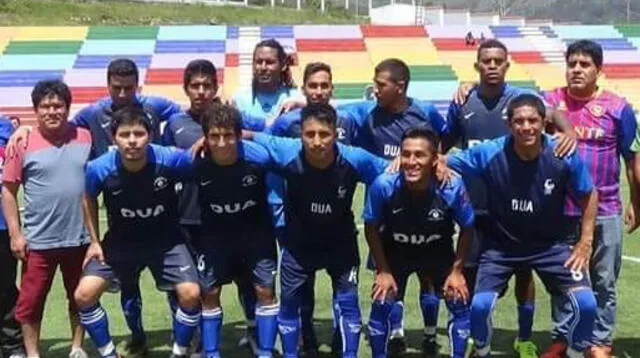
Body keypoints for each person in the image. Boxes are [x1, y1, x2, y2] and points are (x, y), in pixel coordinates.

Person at [6, 58, 184, 356]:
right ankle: (37, 352)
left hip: (113, 228)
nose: (124, 94)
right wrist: (20, 128)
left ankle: (82, 347)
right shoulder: (85, 118)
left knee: (167, 286)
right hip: (73, 231)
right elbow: (12, 187)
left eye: (129, 88)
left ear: (137, 85)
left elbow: (185, 115)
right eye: (117, 88)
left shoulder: (146, 109)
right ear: (108, 86)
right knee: (41, 299)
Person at [444, 39, 577, 358]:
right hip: (475, 204)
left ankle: (525, 337)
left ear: (507, 64)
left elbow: (553, 113)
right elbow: (445, 139)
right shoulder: (463, 101)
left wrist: (569, 131)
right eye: (486, 61)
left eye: (498, 61)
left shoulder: (521, 98)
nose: (492, 66)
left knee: (524, 272)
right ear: (477, 65)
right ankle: (478, 339)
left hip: (517, 204)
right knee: (474, 276)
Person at [244, 103, 389, 358]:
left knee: (348, 303)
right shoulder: (288, 151)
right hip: (299, 246)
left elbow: (393, 169)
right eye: (310, 134)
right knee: (289, 303)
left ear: (335, 134)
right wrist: (209, 139)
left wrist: (437, 164)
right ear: (301, 134)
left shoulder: (355, 158)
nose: (317, 141)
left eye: (324, 134)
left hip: (341, 244)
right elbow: (250, 135)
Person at [339, 58, 447, 356]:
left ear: (400, 86)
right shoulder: (368, 116)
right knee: (389, 275)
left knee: (428, 276)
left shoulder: (424, 113)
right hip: (386, 209)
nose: (374, 89)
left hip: (424, 205)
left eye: (380, 84)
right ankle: (396, 333)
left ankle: (428, 333)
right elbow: (337, 116)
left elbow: (445, 141)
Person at [74, 106, 201, 358]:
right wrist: (95, 242)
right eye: (125, 134)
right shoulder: (99, 168)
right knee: (84, 295)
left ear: (150, 135)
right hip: (121, 241)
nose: (132, 141)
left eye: (139, 133)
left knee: (191, 294)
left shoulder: (170, 158)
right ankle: (109, 354)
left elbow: (202, 164)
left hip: (166, 240)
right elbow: (87, 198)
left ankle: (179, 351)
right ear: (113, 137)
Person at [541, 40, 638, 358]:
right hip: (558, 210)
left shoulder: (618, 107)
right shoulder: (549, 101)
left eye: (584, 65)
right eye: (572, 64)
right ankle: (564, 336)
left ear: (599, 70)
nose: (577, 70)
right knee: (563, 279)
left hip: (606, 208)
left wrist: (637, 203)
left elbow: (631, 159)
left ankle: (600, 340)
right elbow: (512, 109)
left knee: (604, 280)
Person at [269, 61, 359, 355]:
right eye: (313, 85)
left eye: (324, 85)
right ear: (303, 87)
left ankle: (340, 340)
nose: (319, 91)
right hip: (299, 225)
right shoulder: (286, 122)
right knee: (299, 294)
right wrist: (278, 211)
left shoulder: (349, 120)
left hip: (339, 227)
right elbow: (272, 157)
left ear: (332, 88)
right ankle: (304, 336)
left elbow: (361, 160)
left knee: (344, 295)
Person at [364, 127, 474, 358]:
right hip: (396, 253)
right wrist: (383, 270)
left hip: (436, 253)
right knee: (382, 300)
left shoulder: (451, 186)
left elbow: (467, 227)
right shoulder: (384, 184)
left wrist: (456, 271)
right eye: (406, 154)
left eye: (419, 155)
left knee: (458, 299)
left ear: (435, 160)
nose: (411, 161)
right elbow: (371, 227)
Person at [2, 80, 92, 358]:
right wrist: (16, 234)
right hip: (38, 241)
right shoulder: (23, 142)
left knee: (80, 298)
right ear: (36, 110)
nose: (52, 111)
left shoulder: (86, 137)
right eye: (45, 106)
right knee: (30, 303)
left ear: (67, 108)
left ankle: (77, 347)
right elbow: (8, 191)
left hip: (80, 238)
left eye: (58, 105)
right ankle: (32, 353)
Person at [231, 38, 301, 352]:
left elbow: (325, 115)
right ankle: (253, 326)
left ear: (282, 65)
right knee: (249, 270)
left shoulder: (295, 98)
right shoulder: (240, 100)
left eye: (270, 61)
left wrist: (300, 105)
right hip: (249, 199)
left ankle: (293, 328)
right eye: (258, 61)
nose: (263, 67)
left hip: (287, 197)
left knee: (292, 268)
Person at [194, 103, 279, 358]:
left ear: (239, 135)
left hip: (255, 234)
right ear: (206, 138)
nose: (222, 143)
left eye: (228, 135)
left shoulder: (259, 159)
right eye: (215, 136)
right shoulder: (195, 162)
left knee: (264, 291)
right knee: (209, 292)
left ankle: (265, 352)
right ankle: (211, 353)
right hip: (214, 236)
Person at [0, 115, 24, 358]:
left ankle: (12, 345)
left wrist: (25, 128)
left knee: (5, 288)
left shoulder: (5, 126)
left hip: (2, 226)